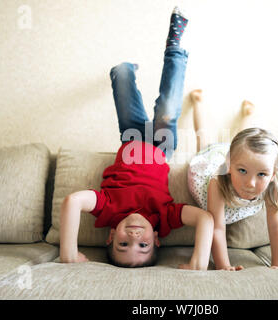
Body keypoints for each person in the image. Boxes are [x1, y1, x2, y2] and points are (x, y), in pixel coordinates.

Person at [59, 7, 214, 269]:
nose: (134, 237)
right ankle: (175, 46)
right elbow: (206, 220)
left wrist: (68, 253)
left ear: (110, 236)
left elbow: (72, 201)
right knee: (166, 112)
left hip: (131, 139)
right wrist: (198, 262)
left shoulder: (107, 209)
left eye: (123, 244)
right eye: (143, 245)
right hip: (161, 147)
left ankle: (127, 69)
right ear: (156, 239)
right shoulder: (163, 218)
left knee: (120, 72)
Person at [187, 89, 278, 272]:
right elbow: (217, 228)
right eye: (242, 171)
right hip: (211, 160)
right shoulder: (216, 183)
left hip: (236, 156)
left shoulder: (274, 188)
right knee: (204, 140)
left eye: (262, 175)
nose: (250, 183)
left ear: (273, 174)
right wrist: (223, 265)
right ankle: (197, 102)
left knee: (244, 146)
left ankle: (246, 115)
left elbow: (277, 227)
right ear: (229, 165)